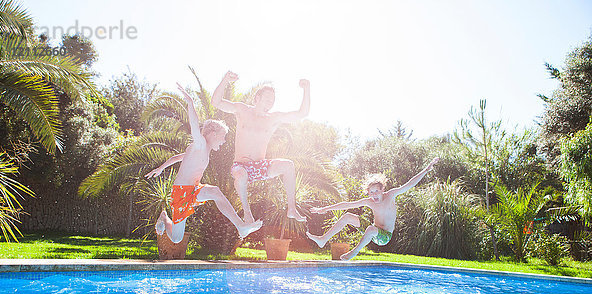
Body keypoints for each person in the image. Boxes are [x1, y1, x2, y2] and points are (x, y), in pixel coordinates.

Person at [145, 83, 262, 243]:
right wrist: (190, 103)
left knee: (215, 192)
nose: (223, 142)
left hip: (193, 190)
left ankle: (240, 226)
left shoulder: (202, 150)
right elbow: (194, 125)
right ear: (213, 134)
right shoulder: (199, 144)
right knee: (177, 238)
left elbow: (177, 158)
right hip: (181, 193)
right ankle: (165, 217)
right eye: (222, 137)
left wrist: (160, 168)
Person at [211, 71, 310, 224]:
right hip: (240, 166)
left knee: (288, 165)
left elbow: (301, 113)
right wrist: (225, 80)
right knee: (242, 175)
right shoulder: (242, 110)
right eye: (267, 98)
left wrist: (307, 88)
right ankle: (247, 213)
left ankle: (291, 208)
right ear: (257, 98)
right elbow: (216, 102)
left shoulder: (273, 119)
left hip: (260, 166)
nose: (271, 102)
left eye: (273, 100)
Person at [307, 158, 440, 260]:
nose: (374, 195)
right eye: (371, 192)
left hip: (384, 236)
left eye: (376, 191)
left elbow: (409, 184)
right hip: (373, 230)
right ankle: (323, 239)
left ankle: (353, 253)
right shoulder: (369, 201)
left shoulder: (391, 195)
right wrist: (325, 208)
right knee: (348, 216)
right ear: (368, 193)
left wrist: (427, 169)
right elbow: (347, 204)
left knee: (371, 229)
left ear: (382, 190)